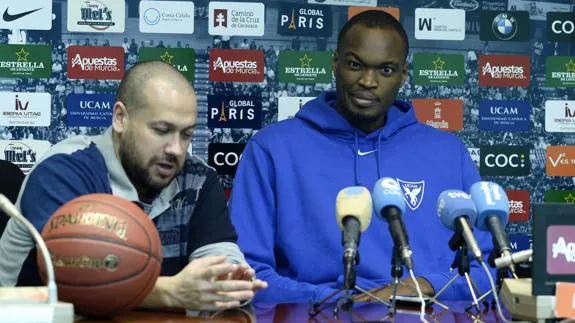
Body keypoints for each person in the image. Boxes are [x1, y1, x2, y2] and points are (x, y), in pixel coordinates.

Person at [229, 10, 492, 304]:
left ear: (403, 75)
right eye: (355, 64)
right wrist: (335, 301)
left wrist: (423, 285)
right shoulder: (271, 149)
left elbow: (489, 269)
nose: (368, 80)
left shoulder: (448, 152)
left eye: (386, 70)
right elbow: (245, 272)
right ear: (335, 63)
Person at [0, 61, 266, 311]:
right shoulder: (64, 170)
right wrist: (169, 292)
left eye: (186, 135)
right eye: (162, 130)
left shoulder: (198, 180)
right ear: (120, 118)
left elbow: (221, 258)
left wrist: (227, 280)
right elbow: (73, 280)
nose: (176, 149)